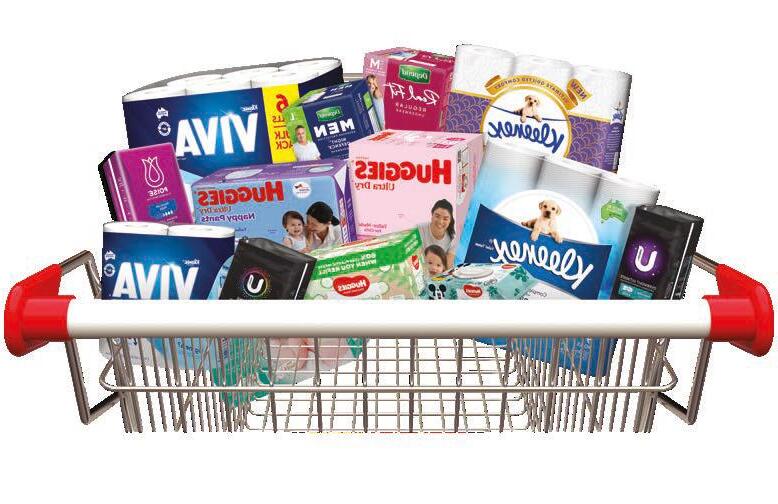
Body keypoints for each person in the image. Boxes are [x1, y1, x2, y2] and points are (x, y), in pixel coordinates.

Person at [418, 199, 458, 268]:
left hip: (438, 273)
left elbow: (447, 268)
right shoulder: (419, 229)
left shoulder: (453, 239)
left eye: (445, 219)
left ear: (450, 220)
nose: (440, 222)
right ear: (432, 215)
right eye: (437, 216)